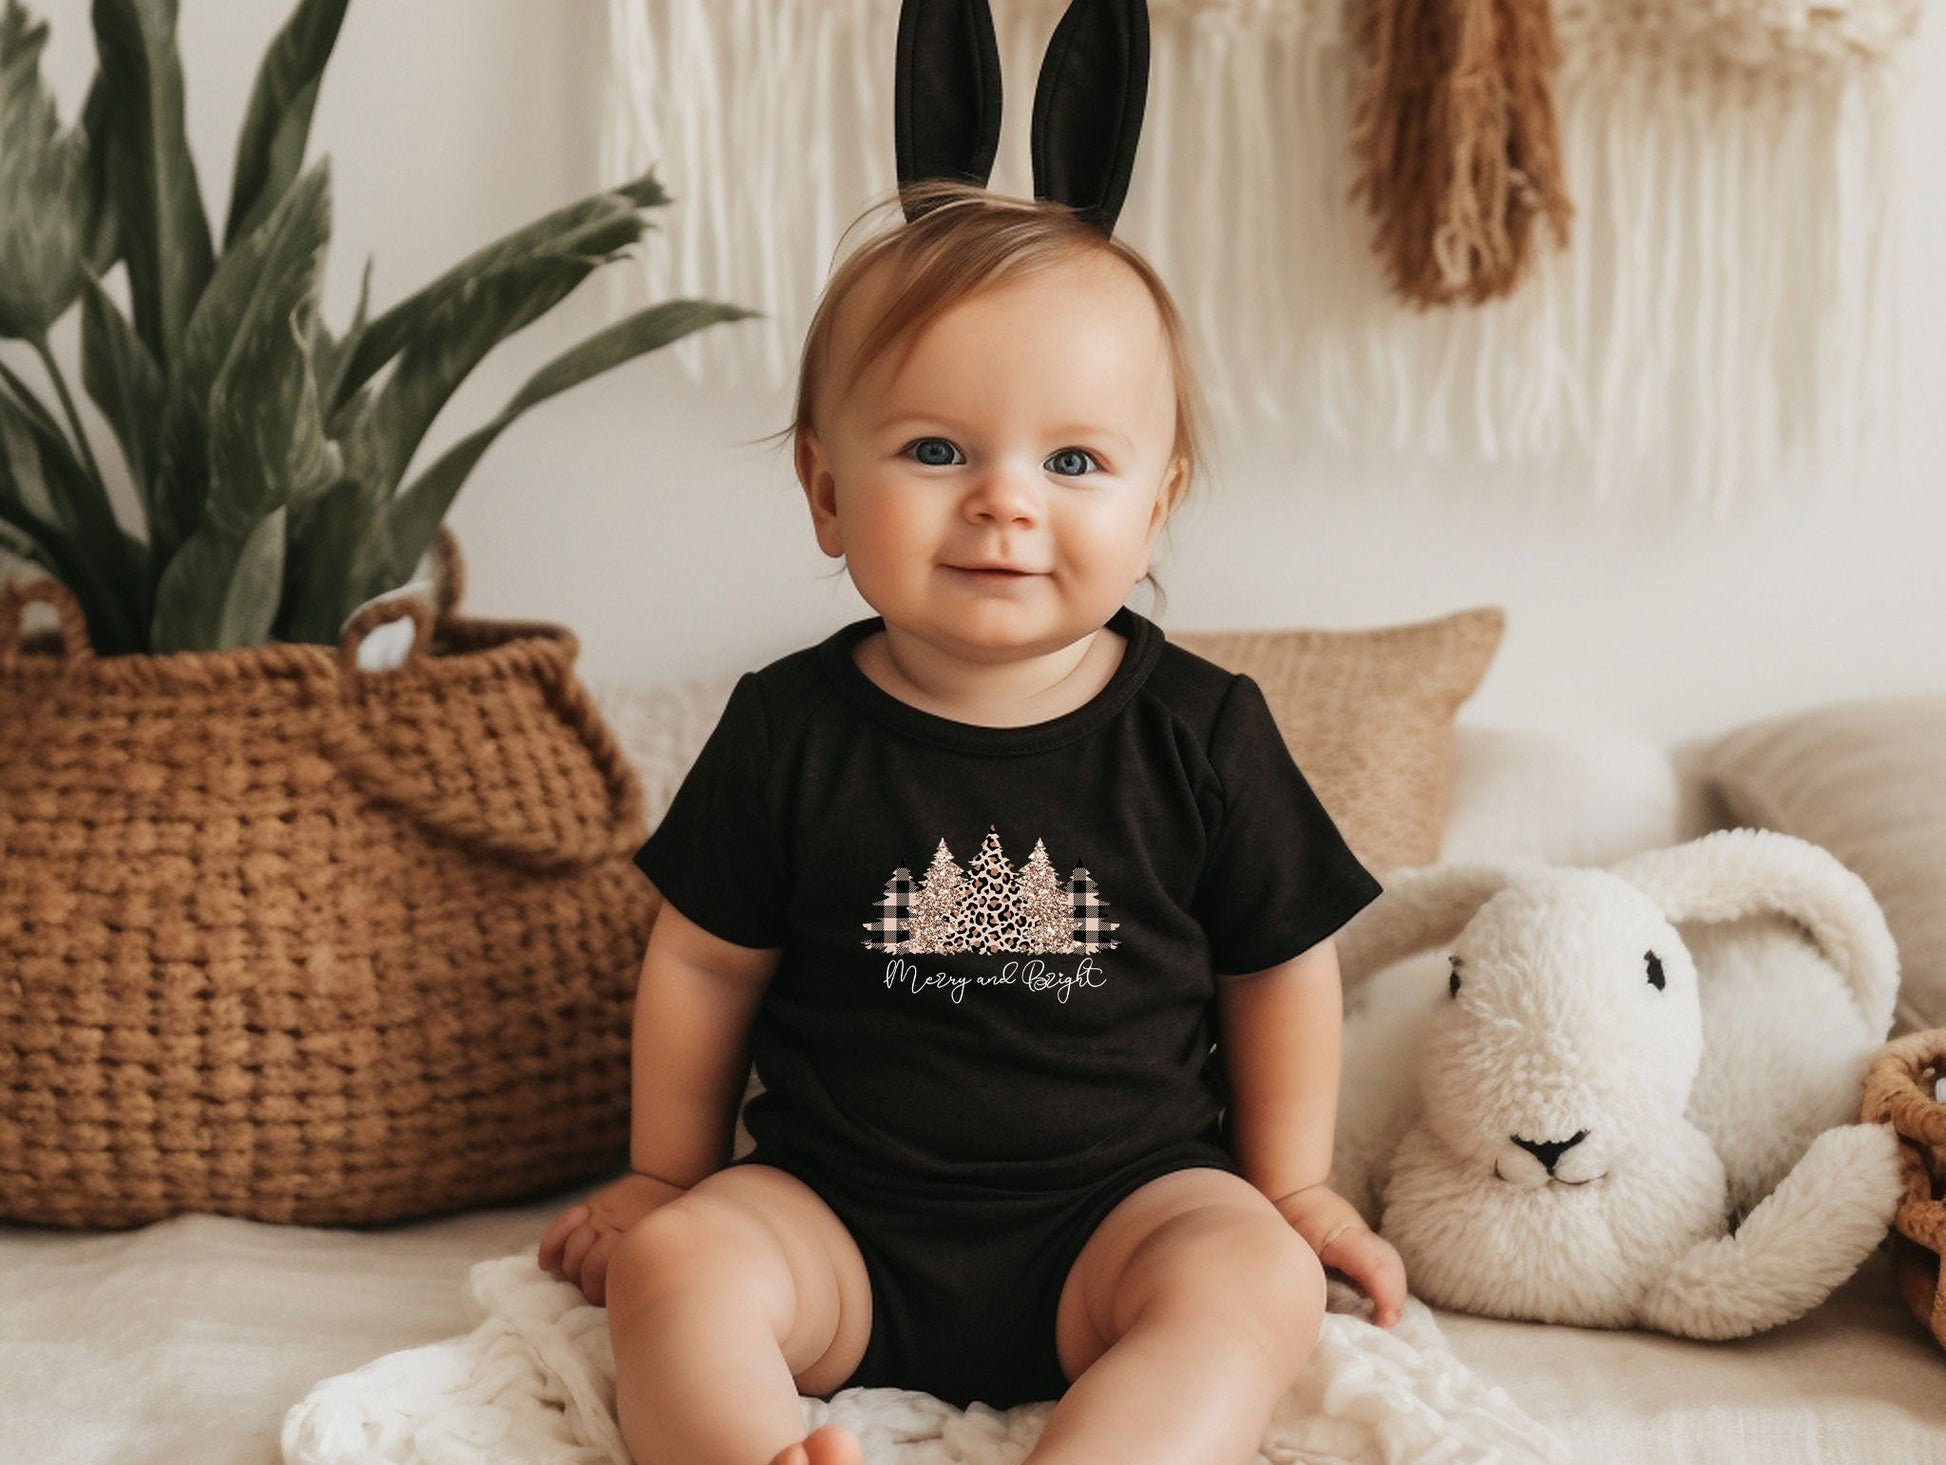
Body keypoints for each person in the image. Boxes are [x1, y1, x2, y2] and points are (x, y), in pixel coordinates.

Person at [538, 178, 1406, 1465]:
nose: (1006, 500)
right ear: (825, 491)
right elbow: (705, 960)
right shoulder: (789, 728)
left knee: (1252, 1278)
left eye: (1071, 461)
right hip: (834, 1222)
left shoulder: (1200, 731)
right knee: (675, 1265)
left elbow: (1274, 965)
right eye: (938, 450)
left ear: (1152, 503)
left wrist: (1287, 1188)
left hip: (1120, 1219)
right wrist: (667, 1176)